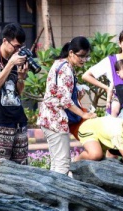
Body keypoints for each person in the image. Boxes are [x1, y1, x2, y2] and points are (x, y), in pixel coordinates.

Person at [37, 36, 96, 175]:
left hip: (49, 118)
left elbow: (60, 94)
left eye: (86, 56)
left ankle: (50, 195)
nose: (84, 60)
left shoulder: (59, 64)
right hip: (56, 120)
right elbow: (64, 100)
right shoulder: (66, 69)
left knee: (56, 163)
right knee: (62, 165)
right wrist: (84, 114)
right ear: (71, 53)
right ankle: (57, 196)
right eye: (81, 56)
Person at [0, 23, 29, 165]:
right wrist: (10, 64)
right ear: (4, 41)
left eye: (20, 47)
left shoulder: (17, 60)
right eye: (15, 46)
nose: (17, 50)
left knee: (21, 166)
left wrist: (21, 77)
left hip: (19, 119)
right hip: (1, 120)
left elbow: (18, 92)